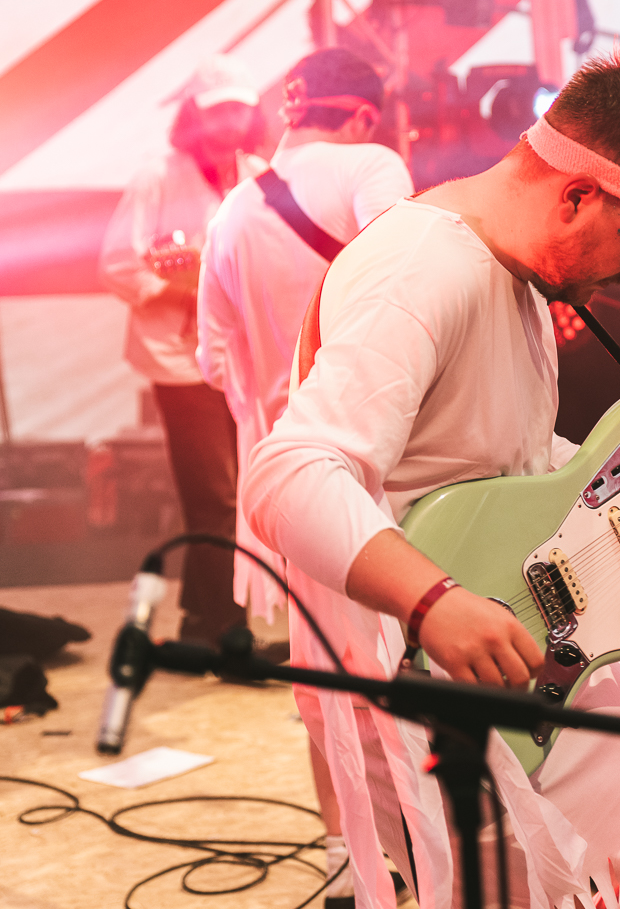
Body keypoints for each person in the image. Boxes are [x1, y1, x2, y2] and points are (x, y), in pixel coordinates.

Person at [241, 49, 620, 909]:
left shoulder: (513, 275)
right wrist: (435, 601)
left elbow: (502, 461)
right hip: (419, 656)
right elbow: (291, 472)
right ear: (577, 194)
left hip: (509, 624)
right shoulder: (424, 267)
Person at [197, 48, 414, 909]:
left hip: (282, 482)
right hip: (376, 465)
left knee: (324, 674)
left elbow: (212, 359)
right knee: (406, 664)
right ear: (361, 114)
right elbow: (408, 282)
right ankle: (428, 853)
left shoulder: (229, 211)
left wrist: (271, 394)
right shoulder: (371, 166)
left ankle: (346, 861)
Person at [99, 55, 265, 646]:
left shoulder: (259, 174)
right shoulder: (158, 175)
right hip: (178, 358)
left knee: (243, 492)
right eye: (219, 110)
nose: (230, 121)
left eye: (239, 108)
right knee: (213, 495)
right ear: (195, 113)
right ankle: (219, 625)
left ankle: (209, 619)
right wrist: (184, 287)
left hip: (243, 356)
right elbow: (118, 262)